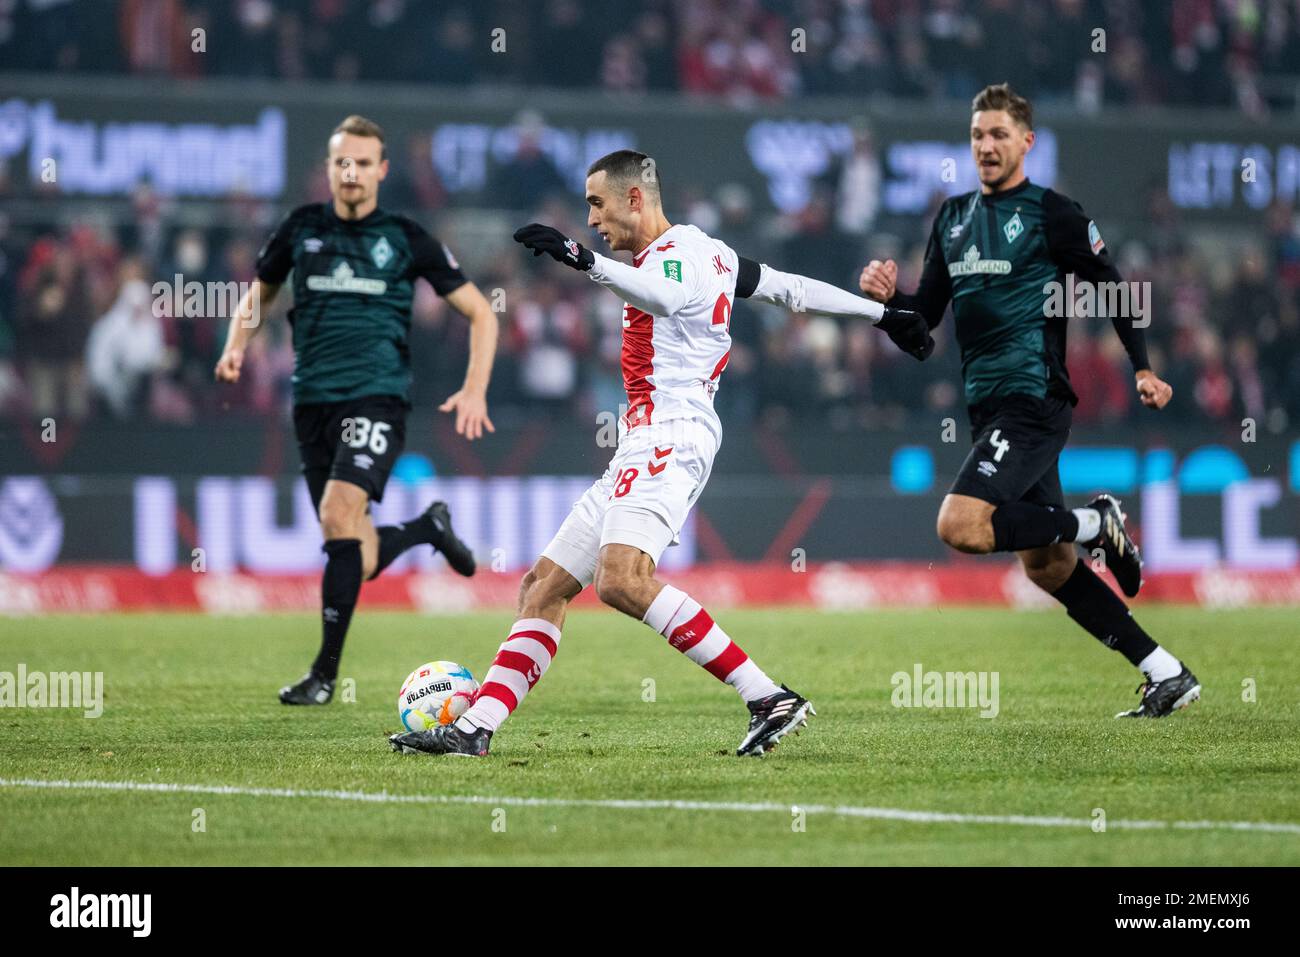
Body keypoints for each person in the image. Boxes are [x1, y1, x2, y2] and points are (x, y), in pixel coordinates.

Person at [390, 148, 928, 757]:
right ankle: (473, 729)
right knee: (543, 586)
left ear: (635, 197)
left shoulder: (675, 259)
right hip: (640, 439)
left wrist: (580, 259)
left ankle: (766, 696)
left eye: (597, 203)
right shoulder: (713, 255)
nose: (592, 218)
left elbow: (663, 298)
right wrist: (882, 313)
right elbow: (790, 290)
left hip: (673, 433)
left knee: (622, 581)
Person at [858, 84, 1198, 719]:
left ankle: (1098, 524)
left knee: (959, 526)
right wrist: (887, 304)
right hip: (990, 409)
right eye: (978, 136)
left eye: (999, 136)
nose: (986, 146)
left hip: (1033, 399)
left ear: (1026, 143)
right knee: (1046, 564)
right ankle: (1165, 670)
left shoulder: (1053, 214)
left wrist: (1144, 369)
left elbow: (1115, 290)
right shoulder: (952, 218)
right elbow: (923, 330)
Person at [215, 115, 499, 705]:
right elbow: (260, 292)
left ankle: (323, 675)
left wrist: (474, 389)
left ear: (381, 170)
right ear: (330, 168)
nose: (351, 172)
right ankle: (427, 528)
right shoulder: (300, 229)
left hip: (378, 395)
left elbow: (482, 312)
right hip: (311, 400)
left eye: (363, 162)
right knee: (353, 546)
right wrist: (236, 346)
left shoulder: (404, 236)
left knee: (339, 513)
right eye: (342, 162)